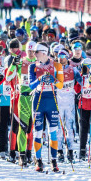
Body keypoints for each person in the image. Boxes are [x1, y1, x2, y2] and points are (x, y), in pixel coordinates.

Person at [29, 43, 62, 172]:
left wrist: (53, 80)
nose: (34, 54)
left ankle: (54, 161)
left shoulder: (57, 65)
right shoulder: (33, 66)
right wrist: (40, 79)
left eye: (36, 52)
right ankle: (39, 161)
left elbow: (60, 85)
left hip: (51, 100)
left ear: (43, 52)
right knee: (37, 132)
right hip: (38, 100)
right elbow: (31, 86)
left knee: (53, 132)